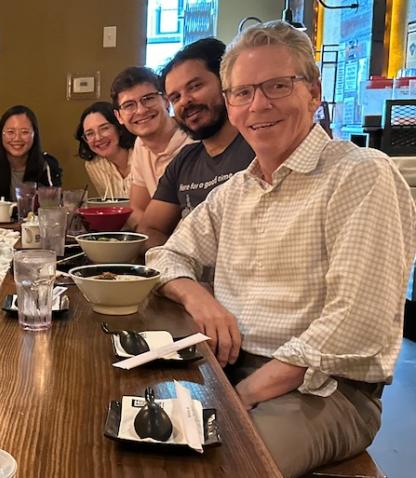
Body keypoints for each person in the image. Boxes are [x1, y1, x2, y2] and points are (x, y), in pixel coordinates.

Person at [145, 21, 416, 477]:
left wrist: (241, 397)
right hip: (228, 365)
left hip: (324, 390)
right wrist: (200, 298)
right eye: (243, 92)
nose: (259, 105)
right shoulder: (235, 192)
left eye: (277, 86)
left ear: (312, 92)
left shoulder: (361, 174)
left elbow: (356, 324)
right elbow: (165, 256)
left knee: (220, 466)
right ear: (230, 106)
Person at [138, 38, 255, 248]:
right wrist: (181, 261)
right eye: (175, 97)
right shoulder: (185, 160)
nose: (185, 101)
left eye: (195, 86)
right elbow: (149, 229)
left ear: (226, 82)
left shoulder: (258, 149)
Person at [111, 67, 194, 228]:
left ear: (166, 101)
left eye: (148, 98)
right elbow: (136, 209)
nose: (141, 110)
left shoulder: (193, 141)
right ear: (119, 117)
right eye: (129, 105)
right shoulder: (140, 145)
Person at [0, 105, 62, 203]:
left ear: (34, 135)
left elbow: (52, 206)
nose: (17, 138)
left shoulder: (47, 164)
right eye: (10, 132)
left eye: (24, 132)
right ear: (0, 135)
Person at [75, 102, 135, 199]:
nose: (98, 138)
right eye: (90, 134)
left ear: (119, 128)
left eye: (104, 128)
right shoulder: (94, 166)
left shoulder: (145, 155)